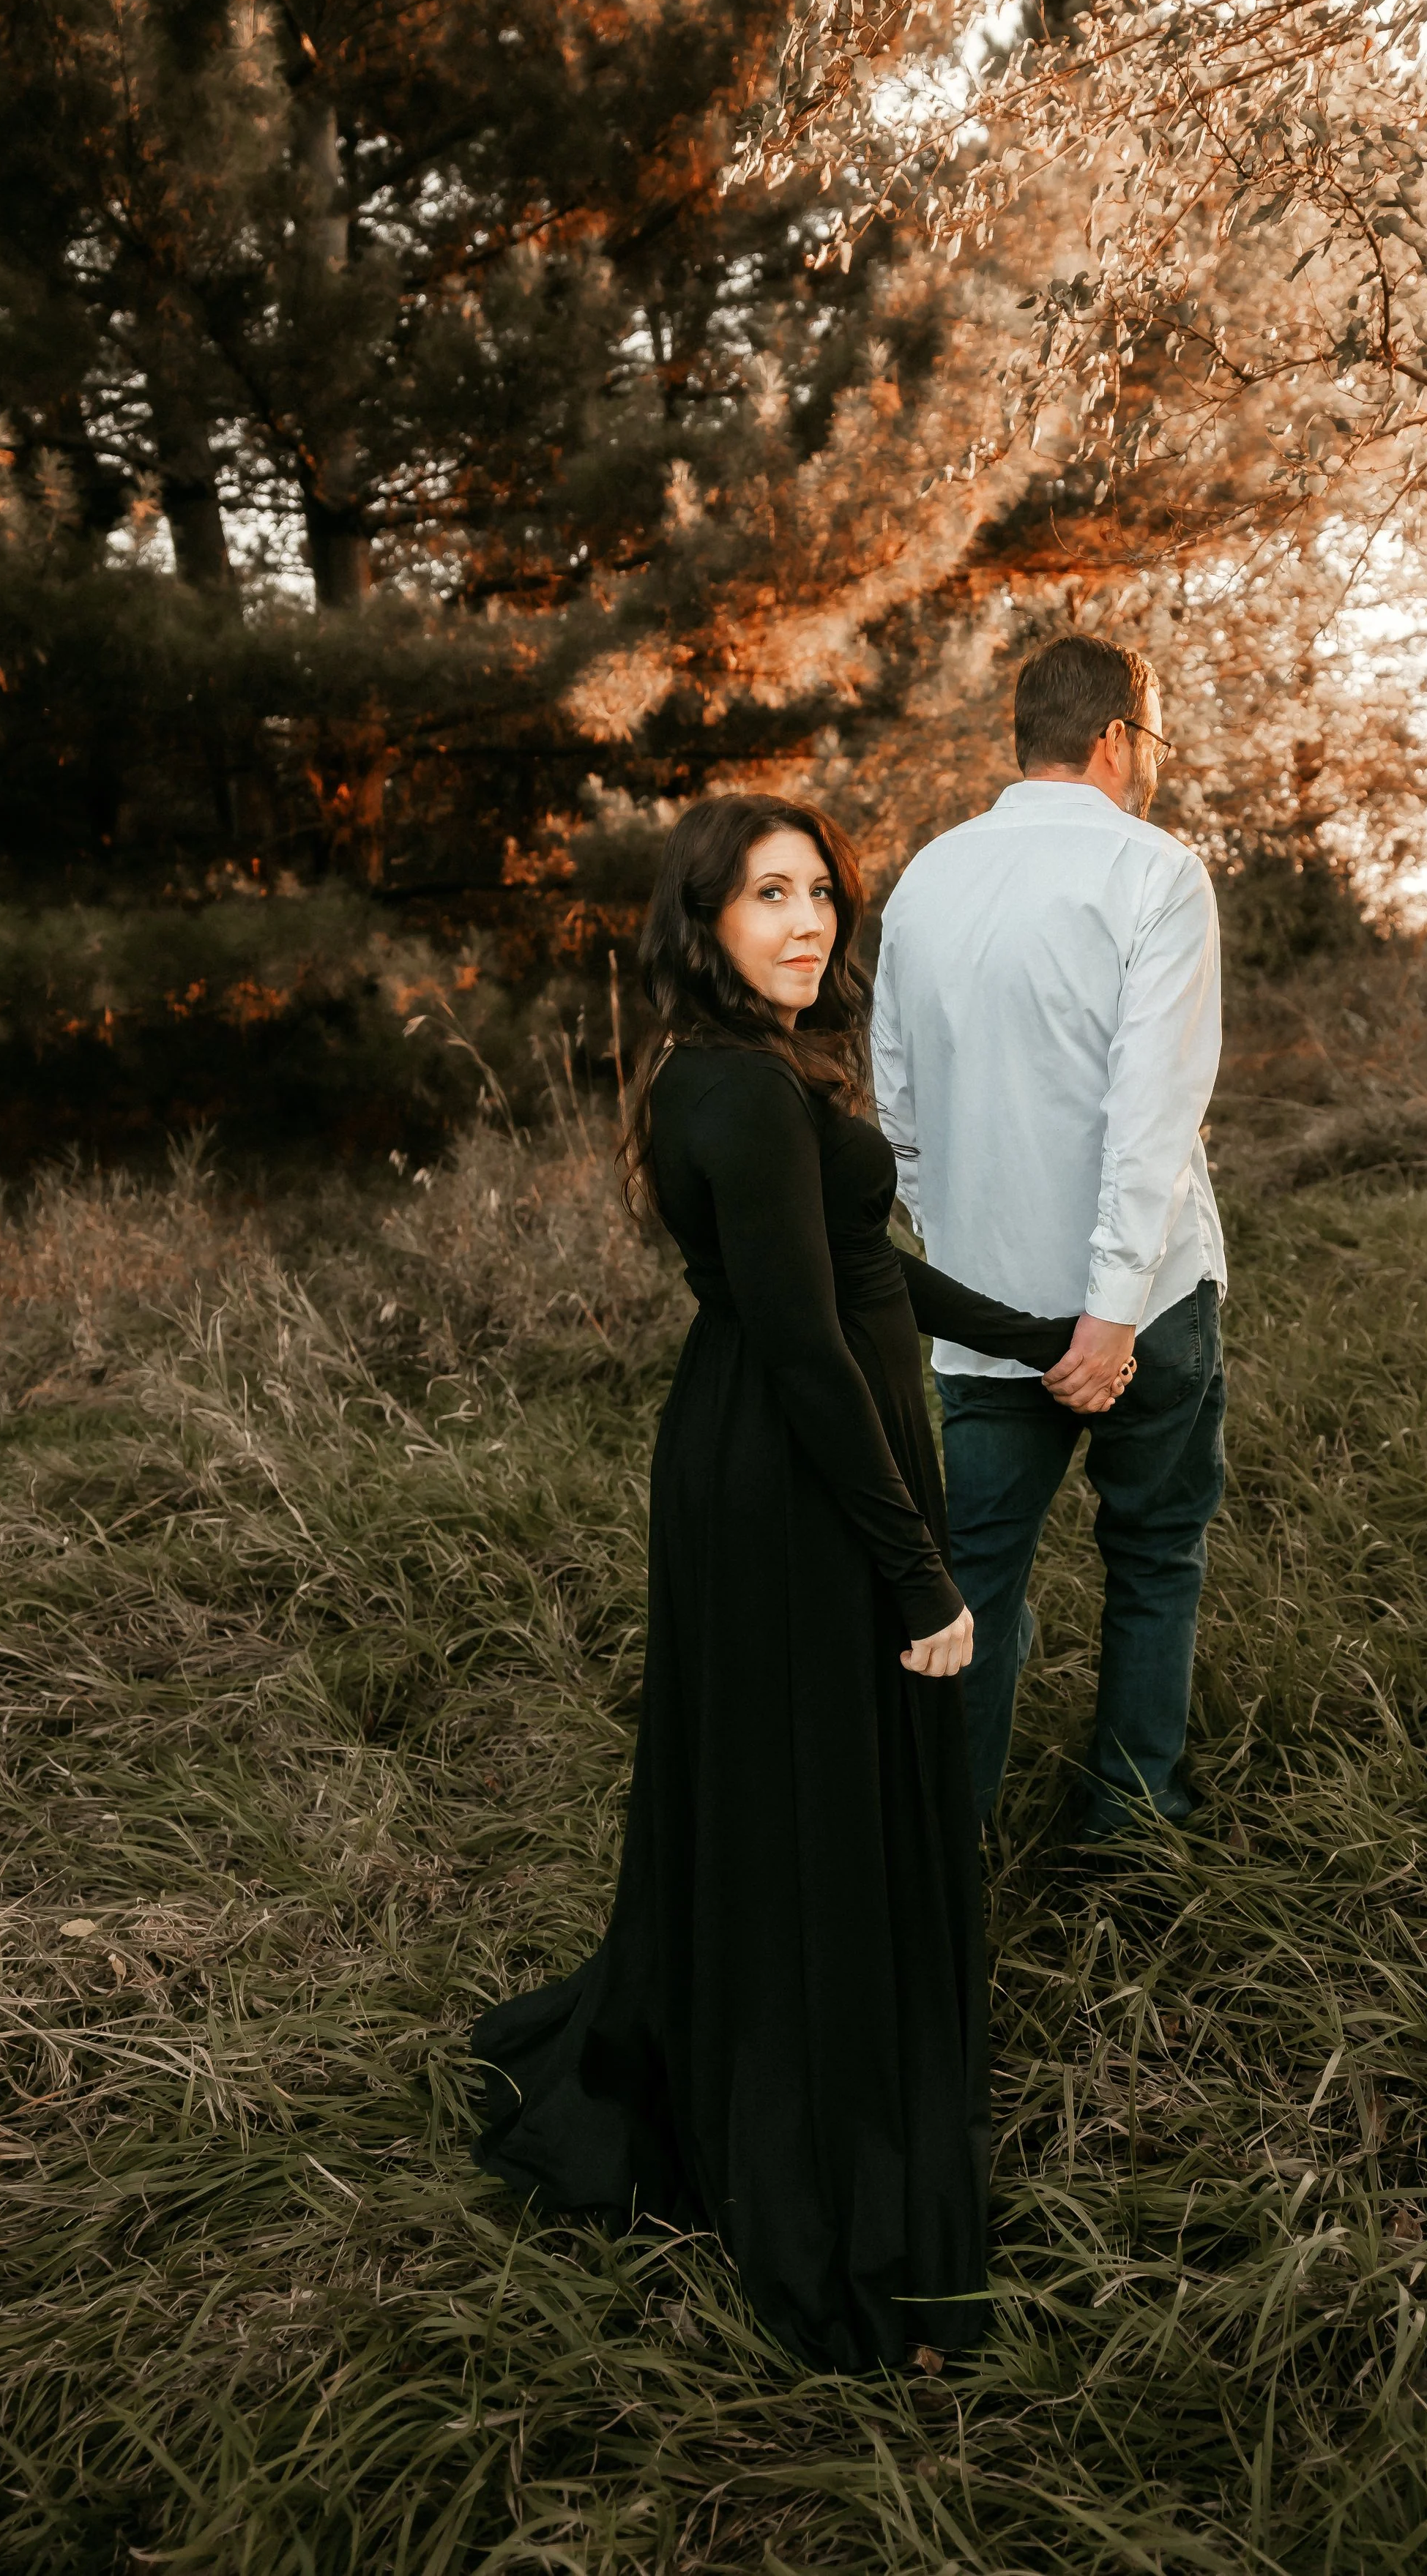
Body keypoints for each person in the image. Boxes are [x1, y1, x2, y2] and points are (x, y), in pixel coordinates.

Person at [469, 794, 1124, 2375]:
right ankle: (812, 2151)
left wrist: (1035, 1337)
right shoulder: (735, 1091)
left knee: (798, 1785)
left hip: (806, 1447)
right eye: (768, 894)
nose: (808, 920)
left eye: (820, 890)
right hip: (788, 1473)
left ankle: (790, 2046)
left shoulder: (760, 1069)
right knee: (810, 1792)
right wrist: (918, 1577)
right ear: (703, 919)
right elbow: (804, 1347)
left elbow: (861, 1268)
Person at [873, 632, 1227, 1843]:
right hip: (1145, 1311)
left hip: (980, 1313)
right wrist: (1110, 1315)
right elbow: (1151, 1116)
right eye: (1157, 739)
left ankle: (943, 1853)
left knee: (972, 1576)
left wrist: (966, 1242)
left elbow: (898, 1115)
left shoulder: (926, 880)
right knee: (1154, 1556)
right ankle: (1129, 1828)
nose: (1157, 762)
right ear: (1117, 737)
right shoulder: (1157, 873)